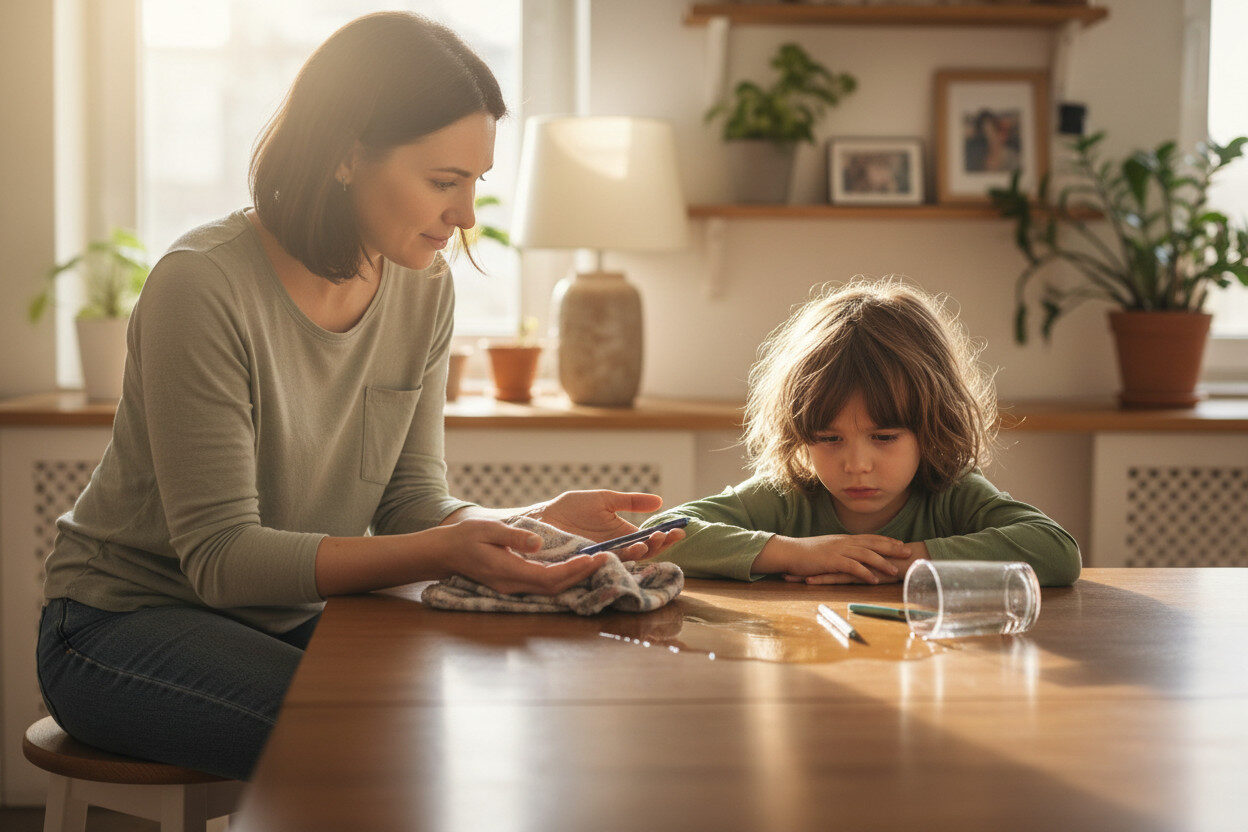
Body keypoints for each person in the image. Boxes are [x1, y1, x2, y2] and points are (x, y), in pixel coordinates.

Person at [35, 12, 682, 782]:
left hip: (290, 621)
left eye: (476, 182)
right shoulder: (202, 286)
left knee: (486, 708)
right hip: (119, 624)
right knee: (372, 744)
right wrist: (449, 547)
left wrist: (528, 525)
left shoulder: (421, 285)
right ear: (346, 155)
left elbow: (411, 498)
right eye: (444, 182)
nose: (466, 215)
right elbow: (221, 560)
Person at [639, 278, 1081, 587]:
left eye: (884, 437)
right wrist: (801, 553)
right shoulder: (788, 496)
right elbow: (656, 538)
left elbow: (1057, 551)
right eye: (829, 439)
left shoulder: (951, 493)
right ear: (800, 433)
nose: (856, 464)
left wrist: (903, 562)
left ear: (931, 428)